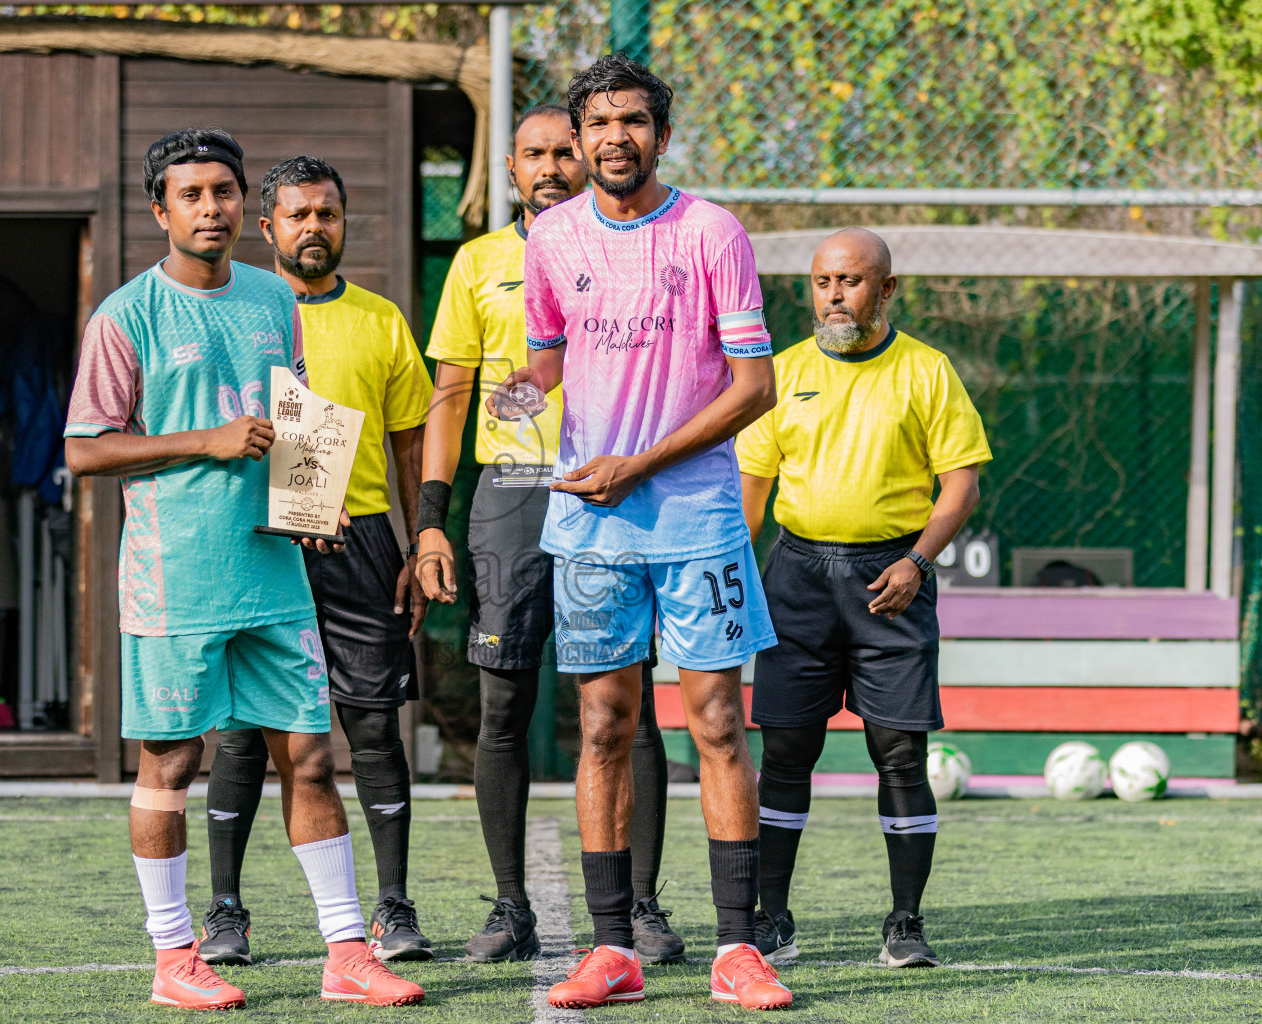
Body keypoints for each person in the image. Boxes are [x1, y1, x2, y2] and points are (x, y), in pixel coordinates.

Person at [63, 128, 423, 1011]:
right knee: (172, 762)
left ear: (242, 205)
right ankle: (173, 959)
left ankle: (347, 953)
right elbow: (84, 450)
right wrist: (208, 442)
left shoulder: (272, 298)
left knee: (310, 756)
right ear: (161, 211)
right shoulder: (126, 316)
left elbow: (290, 417)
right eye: (191, 195)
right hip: (175, 576)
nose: (211, 209)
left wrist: (312, 501)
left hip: (273, 573)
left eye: (223, 192)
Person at [500, 56, 792, 1010]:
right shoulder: (551, 237)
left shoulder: (712, 232)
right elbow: (549, 365)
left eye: (632, 120)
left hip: (698, 519)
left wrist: (640, 462)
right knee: (603, 726)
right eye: (598, 123)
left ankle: (738, 949)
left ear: (661, 136)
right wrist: (511, 399)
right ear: (577, 139)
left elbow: (755, 388)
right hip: (592, 527)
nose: (614, 137)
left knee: (717, 724)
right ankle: (612, 948)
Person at [417, 103, 685, 964]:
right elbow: (450, 396)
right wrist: (430, 520)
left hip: (610, 487)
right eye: (533, 154)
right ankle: (510, 905)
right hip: (512, 494)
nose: (551, 167)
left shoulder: (634, 248)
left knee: (629, 703)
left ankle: (641, 907)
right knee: (503, 704)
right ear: (510, 168)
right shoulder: (478, 263)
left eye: (565, 152)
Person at [199, 156, 434, 966]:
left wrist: (416, 543)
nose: (313, 228)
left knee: (372, 726)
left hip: (361, 539)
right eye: (297, 215)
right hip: (259, 541)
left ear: (343, 222)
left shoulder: (381, 320)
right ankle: (226, 912)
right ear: (267, 227)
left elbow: (411, 445)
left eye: (326, 214)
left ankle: (393, 908)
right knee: (242, 732)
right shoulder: (236, 314)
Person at [737, 227, 992, 970]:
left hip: (894, 579)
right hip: (797, 579)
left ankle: (905, 923)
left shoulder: (928, 371)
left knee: (901, 755)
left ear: (886, 289)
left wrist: (917, 560)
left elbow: (961, 486)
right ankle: (773, 920)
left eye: (850, 281)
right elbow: (751, 496)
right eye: (823, 282)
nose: (834, 296)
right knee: (786, 751)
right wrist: (732, 581)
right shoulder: (781, 372)